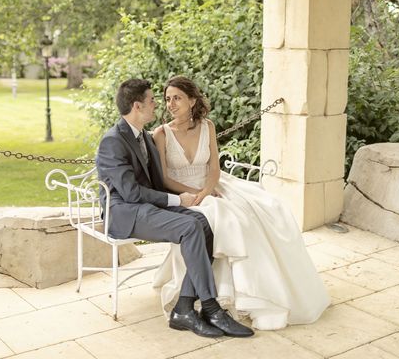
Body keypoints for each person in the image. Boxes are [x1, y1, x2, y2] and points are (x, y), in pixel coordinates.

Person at [152, 76, 330, 330]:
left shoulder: (207, 126)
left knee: (267, 208)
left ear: (192, 100)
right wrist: (196, 194)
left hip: (213, 185)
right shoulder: (162, 133)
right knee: (226, 218)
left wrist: (209, 188)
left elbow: (214, 168)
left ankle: (263, 290)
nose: (171, 104)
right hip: (184, 193)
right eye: (168, 99)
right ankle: (219, 296)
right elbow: (165, 178)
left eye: (177, 97)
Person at [96, 78, 254, 338]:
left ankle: (183, 308)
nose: (157, 104)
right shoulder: (113, 141)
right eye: (151, 100)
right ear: (137, 106)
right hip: (125, 212)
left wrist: (199, 191)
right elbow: (131, 193)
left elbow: (159, 180)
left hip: (147, 206)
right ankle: (211, 308)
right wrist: (178, 200)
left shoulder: (144, 137)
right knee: (191, 226)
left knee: (205, 223)